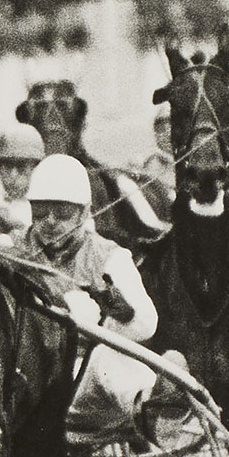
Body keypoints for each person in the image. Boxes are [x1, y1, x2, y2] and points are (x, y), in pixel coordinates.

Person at [22, 155, 160, 440]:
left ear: (84, 213)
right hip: (29, 382)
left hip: (84, 383)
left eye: (61, 214)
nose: (49, 222)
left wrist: (124, 312)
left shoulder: (110, 258)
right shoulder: (12, 252)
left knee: (108, 355)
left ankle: (149, 407)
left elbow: (148, 323)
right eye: (40, 212)